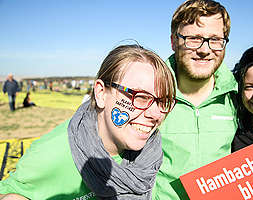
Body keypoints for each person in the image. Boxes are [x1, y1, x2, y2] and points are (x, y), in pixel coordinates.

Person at [0, 44, 176, 200]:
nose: (155, 114)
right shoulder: (54, 153)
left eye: (163, 101)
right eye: (141, 96)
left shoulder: (154, 150)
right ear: (101, 94)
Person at [153, 0, 238, 199]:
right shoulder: (149, 94)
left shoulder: (239, 96)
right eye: (193, 38)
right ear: (174, 42)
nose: (204, 49)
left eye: (215, 39)